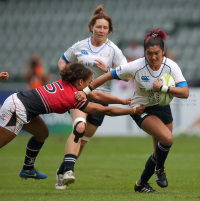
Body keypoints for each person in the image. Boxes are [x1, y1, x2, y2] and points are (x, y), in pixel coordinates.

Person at [76, 28, 189, 193]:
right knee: (167, 139)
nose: (153, 57)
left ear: (163, 51)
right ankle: (160, 170)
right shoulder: (136, 66)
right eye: (149, 53)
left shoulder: (171, 66)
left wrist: (163, 88)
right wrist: (86, 91)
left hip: (163, 107)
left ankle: (141, 184)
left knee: (159, 151)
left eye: (157, 53)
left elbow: (185, 93)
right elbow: (108, 76)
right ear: (144, 52)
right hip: (141, 109)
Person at [0, 62, 145, 180]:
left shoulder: (66, 83)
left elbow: (97, 96)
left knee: (42, 133)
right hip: (17, 109)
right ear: (80, 81)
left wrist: (122, 101)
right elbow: (105, 110)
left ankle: (27, 169)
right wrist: (131, 111)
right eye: (89, 83)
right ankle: (27, 169)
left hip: (21, 103)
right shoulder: (74, 98)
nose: (90, 86)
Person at [55, 4, 130, 189]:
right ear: (91, 28)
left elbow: (127, 75)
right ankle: (69, 172)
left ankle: (61, 171)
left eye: (105, 28)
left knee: (82, 142)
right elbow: (62, 60)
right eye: (98, 27)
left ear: (109, 31)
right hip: (79, 95)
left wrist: (109, 70)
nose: (101, 30)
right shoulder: (80, 46)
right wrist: (68, 77)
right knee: (78, 128)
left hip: (101, 96)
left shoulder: (113, 50)